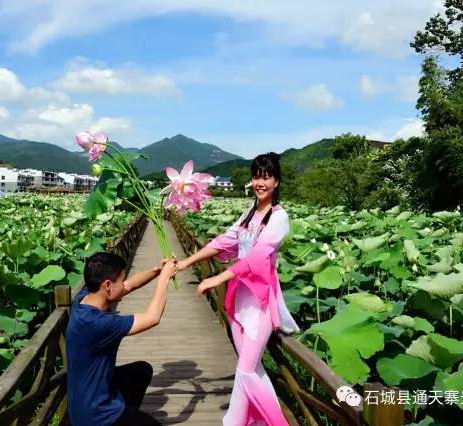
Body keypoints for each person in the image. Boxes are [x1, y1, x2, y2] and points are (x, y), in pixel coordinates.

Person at [177, 153, 300, 425]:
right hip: (239, 300)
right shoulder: (248, 214)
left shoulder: (279, 217)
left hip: (261, 302)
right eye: (257, 176)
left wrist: (217, 279)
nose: (260, 182)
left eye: (266, 177)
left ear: (277, 181)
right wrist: (187, 262)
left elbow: (257, 257)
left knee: (245, 370)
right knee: (250, 369)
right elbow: (224, 241)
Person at [66, 251, 178, 426]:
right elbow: (152, 317)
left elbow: (128, 286)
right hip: (95, 415)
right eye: (121, 279)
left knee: (141, 371)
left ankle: (126, 415)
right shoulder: (98, 323)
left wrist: (157, 271)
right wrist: (164, 279)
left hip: (84, 398)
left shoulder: (84, 298)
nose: (124, 284)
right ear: (108, 285)